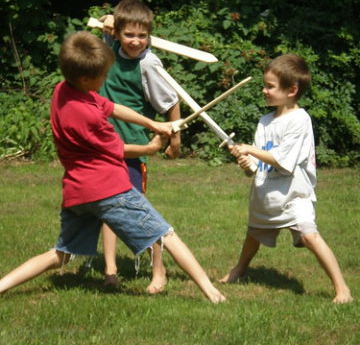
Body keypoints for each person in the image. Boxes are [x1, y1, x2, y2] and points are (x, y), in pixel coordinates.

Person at [0, 31, 226, 304]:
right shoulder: (88, 115)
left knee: (61, 254)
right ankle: (212, 293)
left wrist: (153, 124)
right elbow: (118, 149)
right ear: (86, 78)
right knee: (165, 233)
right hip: (109, 189)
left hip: (78, 192)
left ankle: (2, 286)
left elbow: (113, 107)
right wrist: (151, 148)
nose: (105, 79)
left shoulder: (65, 90)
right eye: (102, 76)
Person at [219, 54, 353, 304]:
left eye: (270, 86)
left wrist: (249, 149)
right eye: (265, 84)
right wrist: (246, 162)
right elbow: (256, 167)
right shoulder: (265, 122)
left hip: (294, 195)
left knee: (310, 236)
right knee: (253, 235)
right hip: (265, 194)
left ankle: (342, 289)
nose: (264, 90)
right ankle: (239, 269)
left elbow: (283, 161)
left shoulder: (300, 120)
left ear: (292, 90)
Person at [98, 0, 181, 293]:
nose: (136, 42)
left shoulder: (147, 63)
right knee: (108, 208)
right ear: (118, 34)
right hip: (104, 143)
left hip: (132, 147)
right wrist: (108, 17)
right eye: (129, 35)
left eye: (142, 36)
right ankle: (110, 271)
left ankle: (159, 271)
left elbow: (170, 102)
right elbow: (104, 22)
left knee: (136, 211)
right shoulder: (108, 48)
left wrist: (176, 138)